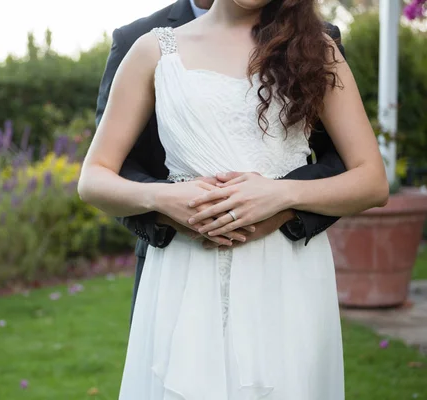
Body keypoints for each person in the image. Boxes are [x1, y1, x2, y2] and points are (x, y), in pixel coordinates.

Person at [80, 0, 388, 398]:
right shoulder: (151, 50)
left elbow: (371, 180)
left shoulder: (316, 49)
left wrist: (281, 194)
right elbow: (93, 177)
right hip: (184, 271)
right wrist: (163, 198)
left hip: (284, 272)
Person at [95, 0, 350, 321]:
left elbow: (348, 164)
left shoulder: (314, 42)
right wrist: (168, 204)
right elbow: (109, 169)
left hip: (285, 261)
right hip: (181, 261)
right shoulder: (144, 43)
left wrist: (282, 203)